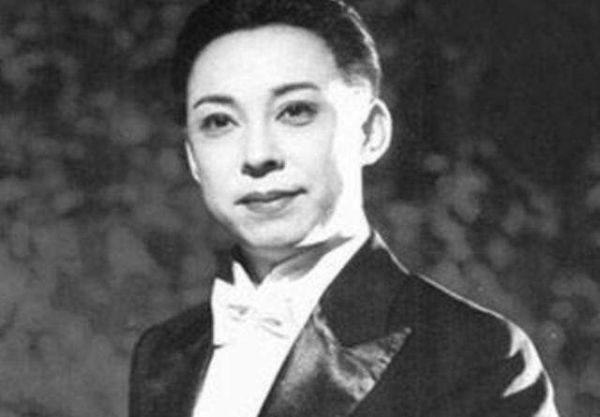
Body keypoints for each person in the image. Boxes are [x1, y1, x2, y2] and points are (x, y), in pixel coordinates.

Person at [128, 0, 560, 416]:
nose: (257, 155)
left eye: (295, 111)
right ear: (193, 157)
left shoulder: (476, 353)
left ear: (371, 132)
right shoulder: (163, 352)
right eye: (219, 121)